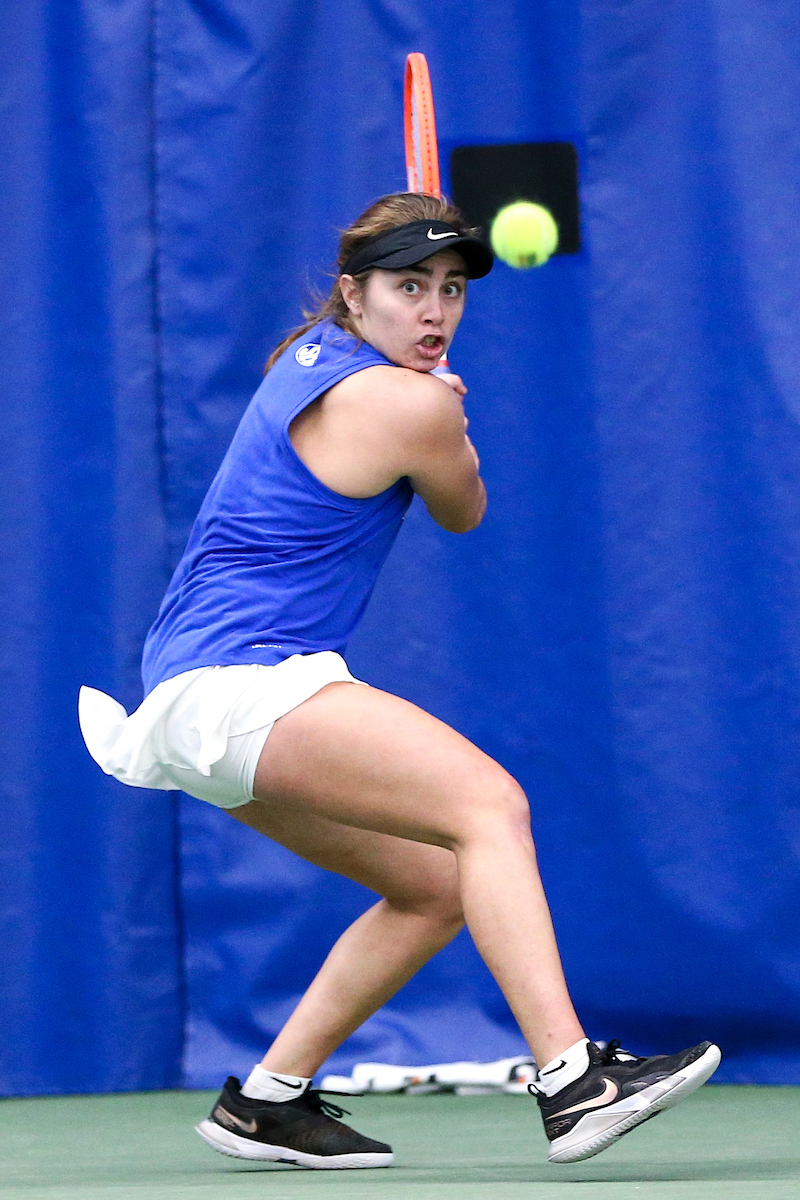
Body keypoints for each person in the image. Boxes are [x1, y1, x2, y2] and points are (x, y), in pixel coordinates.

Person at [79, 191, 720, 1171]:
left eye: (450, 290)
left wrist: (429, 407)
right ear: (353, 292)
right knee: (488, 807)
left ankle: (267, 1099)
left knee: (431, 887)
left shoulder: (309, 362)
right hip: (244, 683)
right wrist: (447, 425)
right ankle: (569, 1081)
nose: (433, 311)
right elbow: (464, 511)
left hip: (183, 700)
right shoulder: (407, 400)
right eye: (407, 287)